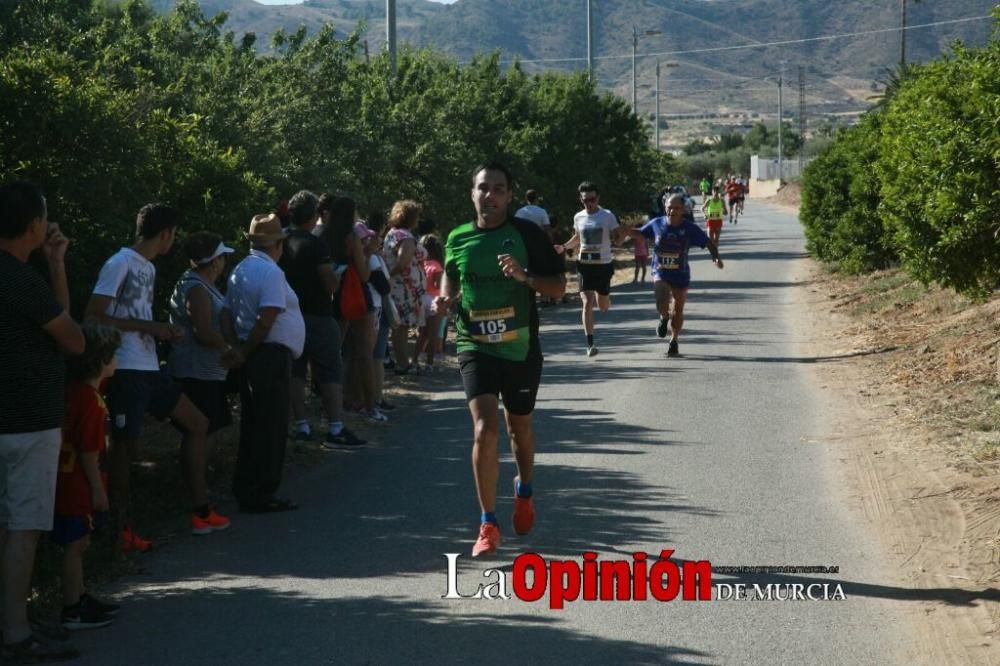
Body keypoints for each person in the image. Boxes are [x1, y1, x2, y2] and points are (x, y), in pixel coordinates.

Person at [438, 162, 566, 558]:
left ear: (510, 195)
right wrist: (446, 299)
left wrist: (525, 278)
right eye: (482, 188)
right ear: (471, 193)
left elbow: (559, 287)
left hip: (519, 347)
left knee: (519, 430)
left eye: (498, 189)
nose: (489, 195)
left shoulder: (526, 235)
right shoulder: (458, 237)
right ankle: (487, 524)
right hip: (474, 345)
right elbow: (451, 276)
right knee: (484, 430)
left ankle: (524, 491)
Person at [84, 204, 228, 549]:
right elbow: (93, 316)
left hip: (149, 366)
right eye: (173, 234)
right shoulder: (119, 263)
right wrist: (151, 328)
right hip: (125, 368)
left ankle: (200, 510)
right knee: (124, 449)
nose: (173, 240)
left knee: (198, 423)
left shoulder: (146, 266)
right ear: (165, 233)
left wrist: (159, 332)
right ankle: (119, 530)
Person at [0, 181, 84, 663]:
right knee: (22, 529)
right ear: (33, 224)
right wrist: (54, 267)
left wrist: (52, 263)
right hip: (27, 422)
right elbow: (72, 339)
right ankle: (16, 634)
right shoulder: (17, 278)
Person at [221, 214, 305, 513]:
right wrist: (244, 350)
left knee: (255, 424)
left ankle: (248, 488)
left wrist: (237, 348)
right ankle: (261, 492)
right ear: (278, 244)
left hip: (257, 353)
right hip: (268, 354)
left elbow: (227, 314)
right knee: (270, 426)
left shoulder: (241, 269)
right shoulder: (271, 273)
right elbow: (267, 316)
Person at [282, 191, 367, 444]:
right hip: (318, 314)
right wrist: (337, 277)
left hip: (288, 316)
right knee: (330, 370)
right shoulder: (315, 244)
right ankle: (335, 427)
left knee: (296, 371)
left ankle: (301, 425)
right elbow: (329, 284)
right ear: (313, 215)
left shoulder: (281, 241)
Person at [54, 324, 122, 631]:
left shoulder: (76, 392)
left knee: (78, 541)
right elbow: (89, 453)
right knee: (76, 543)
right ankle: (72, 607)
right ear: (101, 360)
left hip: (65, 481)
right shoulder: (91, 402)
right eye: (114, 355)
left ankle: (80, 596)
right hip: (78, 484)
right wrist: (98, 491)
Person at [628, 193, 724, 357]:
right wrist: (624, 231)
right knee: (661, 301)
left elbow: (708, 242)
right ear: (665, 207)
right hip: (661, 271)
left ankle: (674, 340)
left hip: (681, 273)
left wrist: (716, 258)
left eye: (676, 208)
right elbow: (641, 233)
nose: (672, 211)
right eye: (669, 207)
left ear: (683, 210)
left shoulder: (689, 228)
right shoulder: (657, 223)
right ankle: (664, 318)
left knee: (678, 309)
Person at [168, 232, 238, 439]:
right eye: (223, 256)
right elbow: (204, 332)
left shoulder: (203, 284)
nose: (225, 262)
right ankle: (195, 472)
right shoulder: (196, 287)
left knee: (207, 430)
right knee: (200, 431)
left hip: (207, 373)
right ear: (215, 261)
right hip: (196, 374)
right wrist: (231, 349)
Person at [556, 181, 623, 357]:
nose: (589, 203)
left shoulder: (607, 216)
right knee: (587, 302)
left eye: (592, 199)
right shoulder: (578, 217)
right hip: (584, 265)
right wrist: (563, 247)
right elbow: (577, 238)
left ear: (598, 198)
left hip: (603, 266)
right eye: (585, 200)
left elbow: (618, 237)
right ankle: (590, 343)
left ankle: (606, 296)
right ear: (581, 199)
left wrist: (620, 236)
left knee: (603, 307)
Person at [384, 200, 426, 375]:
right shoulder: (405, 238)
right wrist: (389, 278)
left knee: (400, 327)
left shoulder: (393, 234)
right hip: (403, 289)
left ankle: (403, 362)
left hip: (401, 287)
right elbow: (402, 264)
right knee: (401, 327)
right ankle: (403, 364)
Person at [415, 234, 444, 371]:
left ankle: (414, 360)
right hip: (434, 300)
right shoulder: (436, 266)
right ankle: (430, 363)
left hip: (422, 299)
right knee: (433, 334)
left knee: (422, 333)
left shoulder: (421, 264)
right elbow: (438, 285)